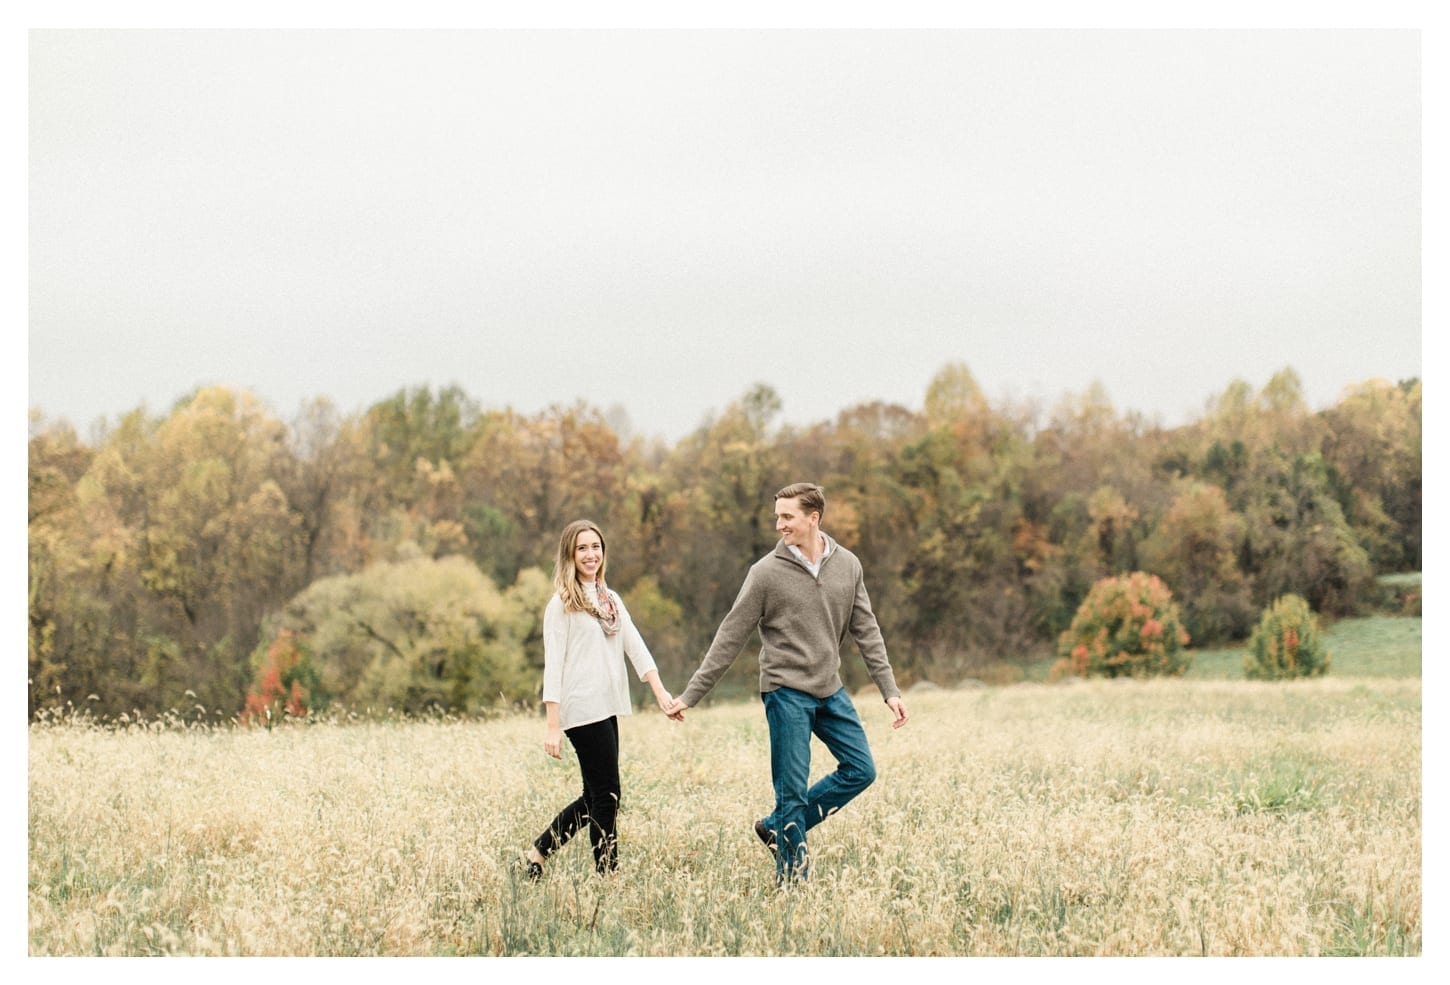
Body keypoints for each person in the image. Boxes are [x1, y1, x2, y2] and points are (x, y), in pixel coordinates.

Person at [667, 481, 908, 885]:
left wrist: (890, 690)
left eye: (787, 516)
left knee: (861, 770)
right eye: (777, 516)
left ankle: (776, 826)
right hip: (785, 692)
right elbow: (730, 635)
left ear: (813, 518)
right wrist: (691, 694)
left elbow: (866, 628)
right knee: (792, 792)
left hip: (830, 688)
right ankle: (793, 887)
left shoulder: (848, 565)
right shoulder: (764, 574)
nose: (779, 524)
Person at [520, 519, 682, 880]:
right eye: (582, 548)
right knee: (607, 796)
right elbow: (553, 666)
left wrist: (661, 693)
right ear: (569, 555)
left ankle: (536, 855)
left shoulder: (610, 601)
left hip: (607, 706)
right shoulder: (562, 604)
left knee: (595, 795)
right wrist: (552, 725)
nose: (590, 554)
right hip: (581, 708)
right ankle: (608, 877)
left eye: (595, 547)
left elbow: (635, 648)